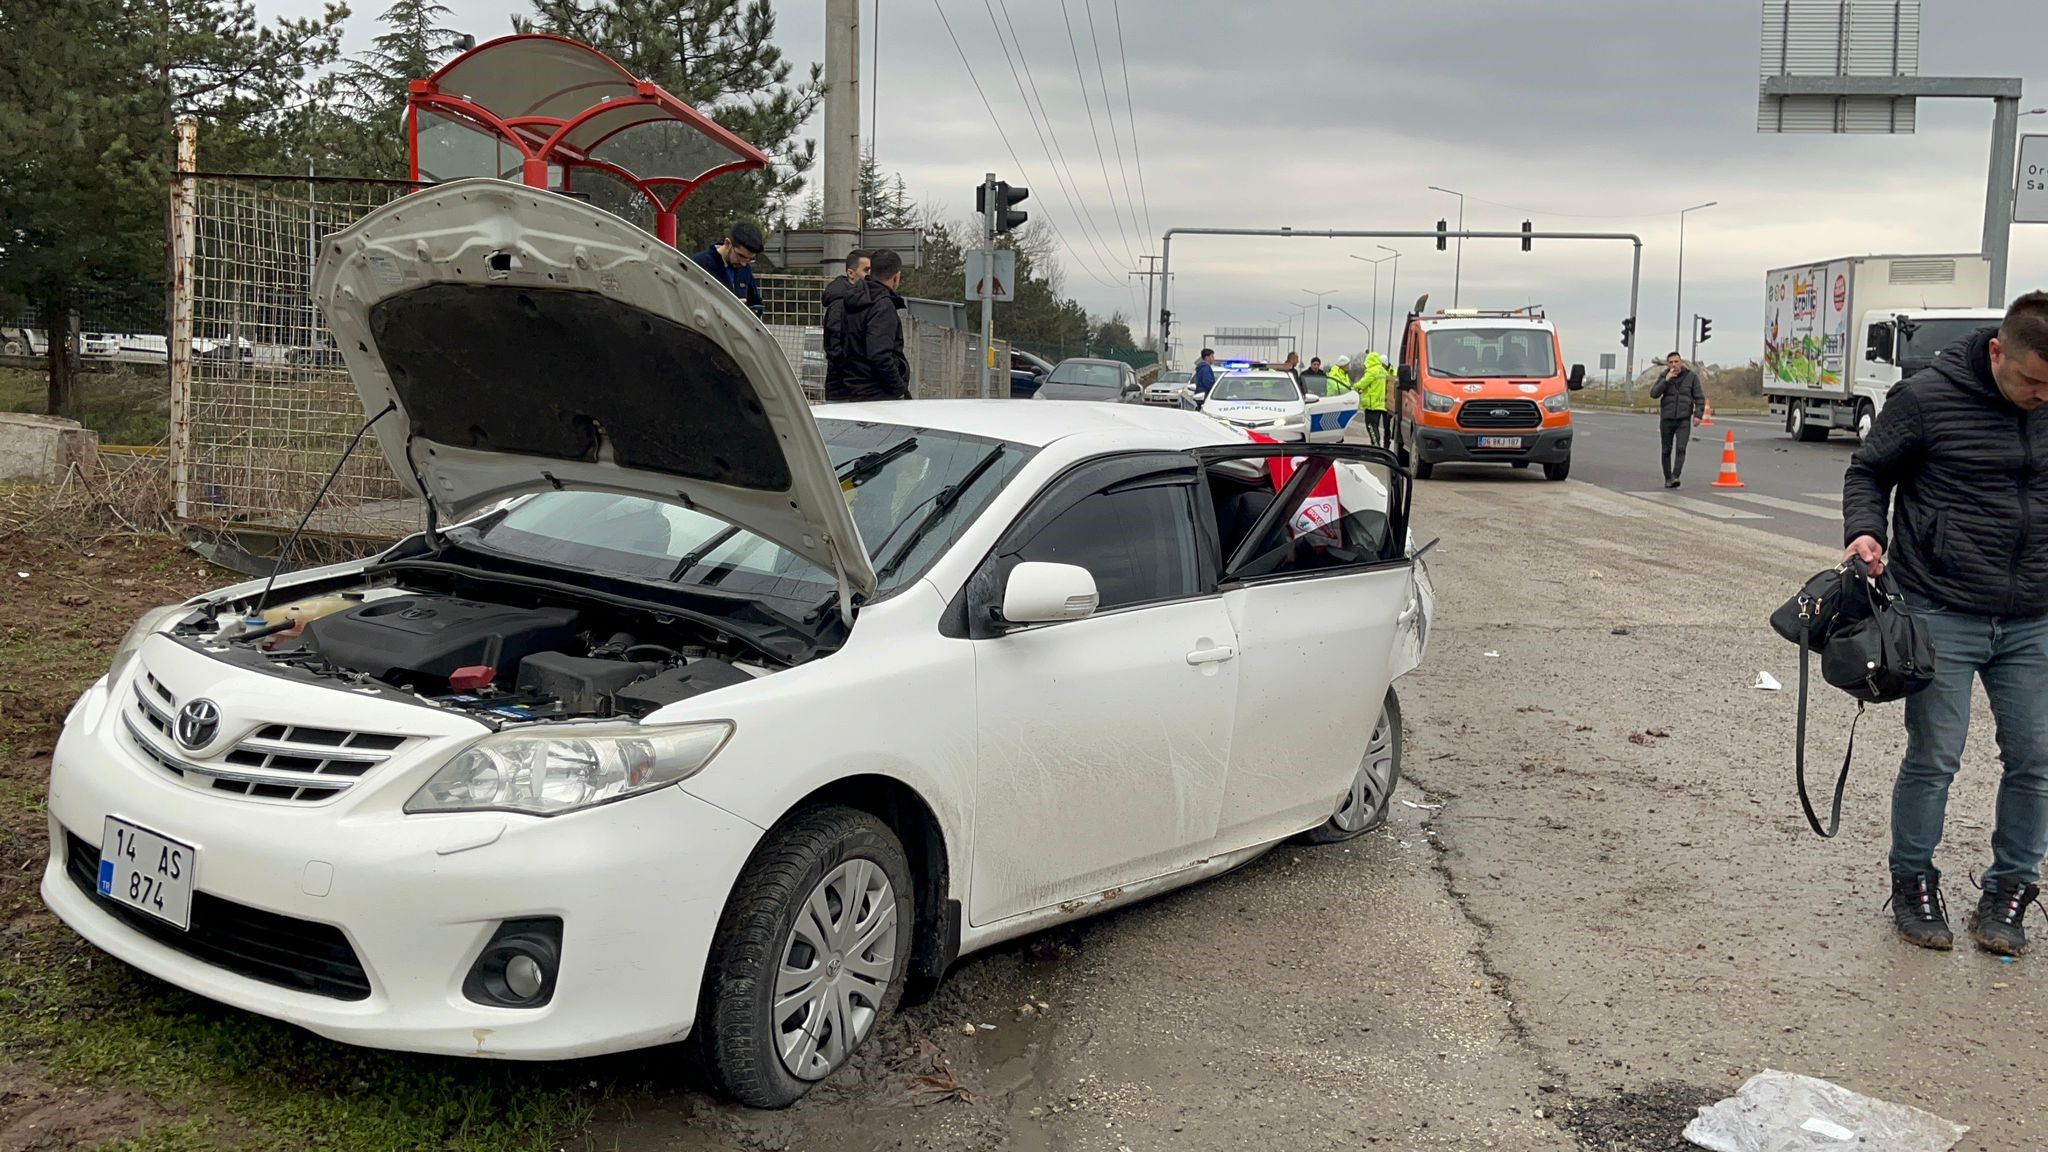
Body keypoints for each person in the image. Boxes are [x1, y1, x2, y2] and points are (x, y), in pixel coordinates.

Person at [1843, 291, 2048, 957]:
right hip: (1941, 606)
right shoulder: (1926, 399)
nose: (2041, 396)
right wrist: (1866, 532)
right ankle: (1914, 883)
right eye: (2031, 381)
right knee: (1936, 754)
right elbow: (1869, 472)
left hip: (2034, 617)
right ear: (1998, 352)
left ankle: (2011, 889)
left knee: (2037, 758)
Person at [839, 249, 910, 400]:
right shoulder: (883, 306)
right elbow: (879, 355)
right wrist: (899, 389)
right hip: (878, 393)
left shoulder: (853, 300)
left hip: (852, 389)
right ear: (896, 277)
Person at [821, 249, 871, 401]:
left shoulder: (860, 300)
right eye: (866, 270)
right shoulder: (840, 304)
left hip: (853, 387)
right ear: (851, 273)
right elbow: (835, 346)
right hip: (843, 389)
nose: (870, 275)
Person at [1649, 352, 1704, 487]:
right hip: (1667, 419)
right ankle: (1668, 478)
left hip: (1683, 419)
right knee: (1666, 450)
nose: (1674, 365)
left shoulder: (1691, 377)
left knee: (1681, 448)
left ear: (1681, 362)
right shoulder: (1664, 376)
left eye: (1676, 361)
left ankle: (1675, 476)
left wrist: (1698, 415)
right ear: (1668, 364)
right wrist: (1666, 380)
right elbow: (1654, 394)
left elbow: (1699, 397)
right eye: (1671, 362)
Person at [688, 221, 766, 316]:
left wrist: (749, 310)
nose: (743, 263)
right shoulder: (699, 264)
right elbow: (689, 302)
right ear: (728, 243)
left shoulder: (745, 268)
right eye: (740, 256)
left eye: (750, 259)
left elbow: (756, 303)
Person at [1358, 351, 1392, 446]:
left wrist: (1354, 388)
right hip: (1383, 404)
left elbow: (1362, 383)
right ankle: (1385, 446)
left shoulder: (1372, 371)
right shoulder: (1384, 371)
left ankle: (1376, 445)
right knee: (1385, 427)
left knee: (1372, 426)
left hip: (1372, 404)